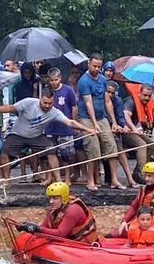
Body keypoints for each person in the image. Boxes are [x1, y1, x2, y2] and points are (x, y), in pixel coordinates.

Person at [0, 92, 95, 186]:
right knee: (4, 152)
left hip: (36, 136)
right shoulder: (28, 102)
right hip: (18, 134)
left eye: (50, 103)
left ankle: (58, 180)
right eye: (45, 103)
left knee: (51, 152)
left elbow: (70, 122)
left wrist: (87, 129)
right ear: (40, 99)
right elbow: (11, 107)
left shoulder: (54, 112)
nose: (47, 105)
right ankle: (7, 180)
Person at [77, 54, 124, 191]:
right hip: (86, 117)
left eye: (99, 67)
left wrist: (113, 122)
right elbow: (88, 102)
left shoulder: (103, 80)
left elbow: (107, 101)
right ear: (88, 64)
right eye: (94, 66)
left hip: (101, 116)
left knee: (111, 145)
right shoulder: (83, 81)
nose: (97, 69)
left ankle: (114, 180)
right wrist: (94, 123)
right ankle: (91, 180)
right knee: (93, 147)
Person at [15, 182, 98, 243]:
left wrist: (37, 228)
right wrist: (27, 226)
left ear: (64, 198)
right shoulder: (54, 209)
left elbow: (61, 234)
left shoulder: (73, 210)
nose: (51, 201)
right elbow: (44, 227)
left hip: (84, 246)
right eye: (50, 198)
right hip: (69, 245)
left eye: (55, 198)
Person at [111, 162, 154, 238]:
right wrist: (125, 221)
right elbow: (134, 207)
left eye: (149, 176)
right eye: (145, 176)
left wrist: (149, 226)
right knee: (113, 235)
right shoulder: (143, 190)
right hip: (139, 225)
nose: (146, 179)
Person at [123, 83, 154, 183]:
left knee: (151, 144)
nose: (147, 98)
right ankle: (142, 174)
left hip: (136, 131)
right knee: (142, 145)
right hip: (125, 130)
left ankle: (137, 171)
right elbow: (126, 115)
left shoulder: (149, 104)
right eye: (144, 95)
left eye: (149, 96)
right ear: (140, 93)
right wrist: (133, 128)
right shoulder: (130, 101)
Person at [44, 68, 78, 185]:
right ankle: (50, 177)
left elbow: (74, 107)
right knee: (50, 153)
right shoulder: (46, 91)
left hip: (65, 127)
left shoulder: (68, 90)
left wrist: (73, 123)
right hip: (50, 127)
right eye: (51, 80)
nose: (54, 82)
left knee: (67, 155)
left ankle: (67, 177)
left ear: (60, 78)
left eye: (56, 80)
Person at [105, 80, 138, 188]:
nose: (110, 95)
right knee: (116, 148)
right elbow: (103, 116)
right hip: (104, 127)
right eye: (108, 92)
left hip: (115, 129)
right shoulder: (99, 99)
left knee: (120, 149)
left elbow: (120, 116)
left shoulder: (117, 100)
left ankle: (130, 179)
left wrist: (124, 126)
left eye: (112, 93)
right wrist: (114, 126)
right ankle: (112, 180)